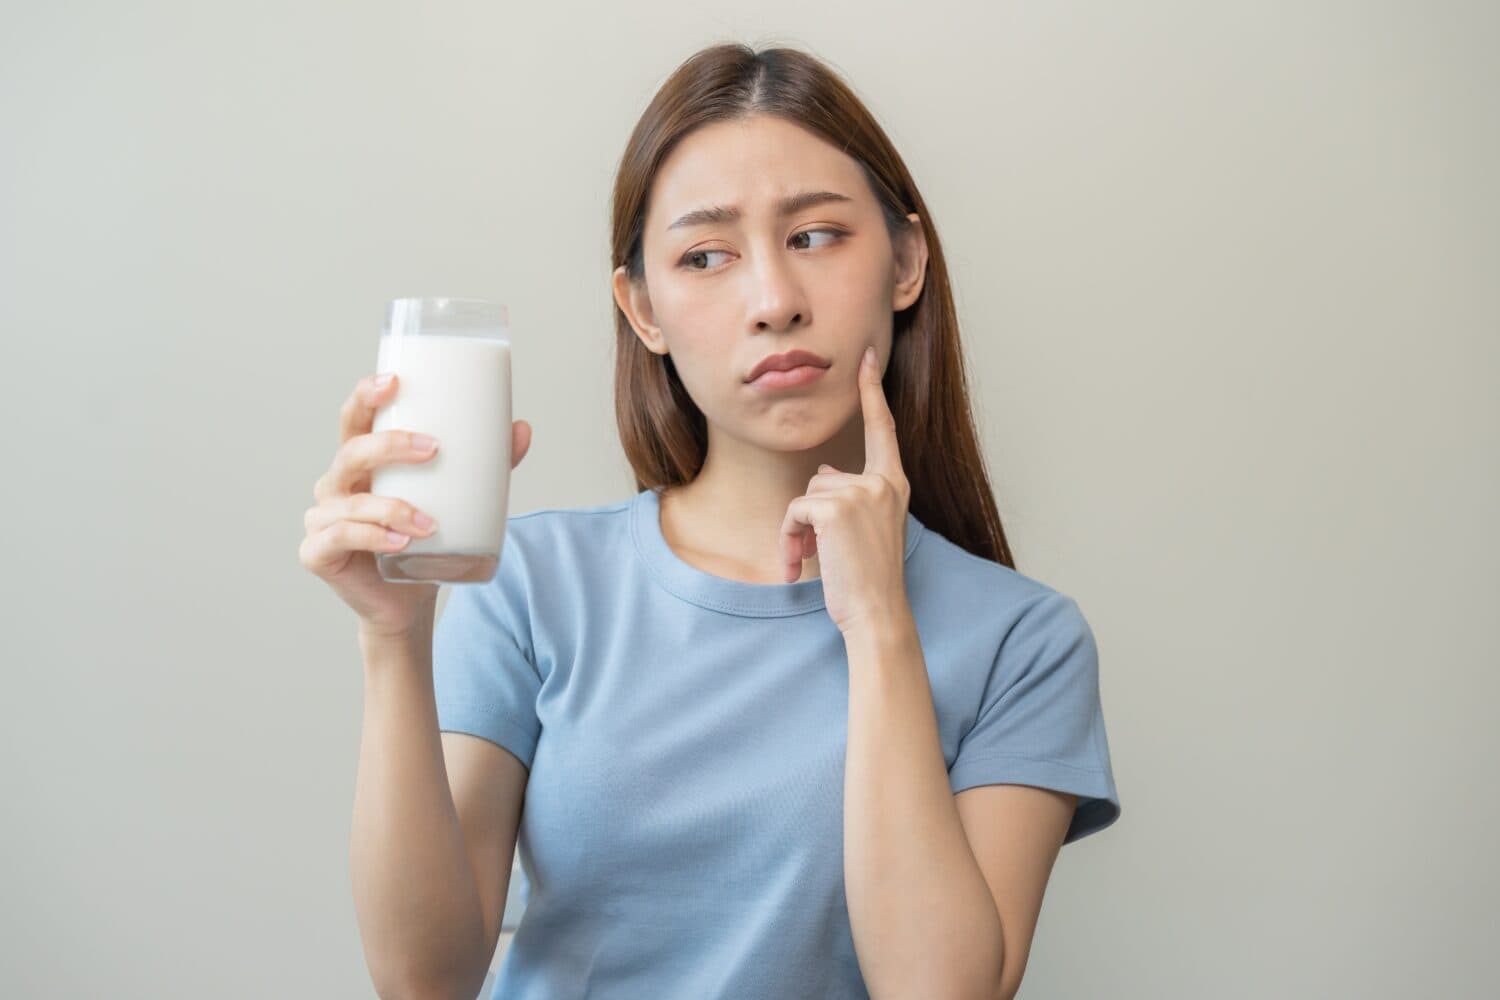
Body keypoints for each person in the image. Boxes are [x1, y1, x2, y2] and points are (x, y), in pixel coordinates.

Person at [302, 41, 1122, 1000]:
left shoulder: (1023, 641)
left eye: (815, 236)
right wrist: (394, 640)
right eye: (706, 256)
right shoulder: (530, 584)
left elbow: (941, 992)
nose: (774, 301)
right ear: (641, 308)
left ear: (905, 262)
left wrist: (880, 624)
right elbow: (422, 981)